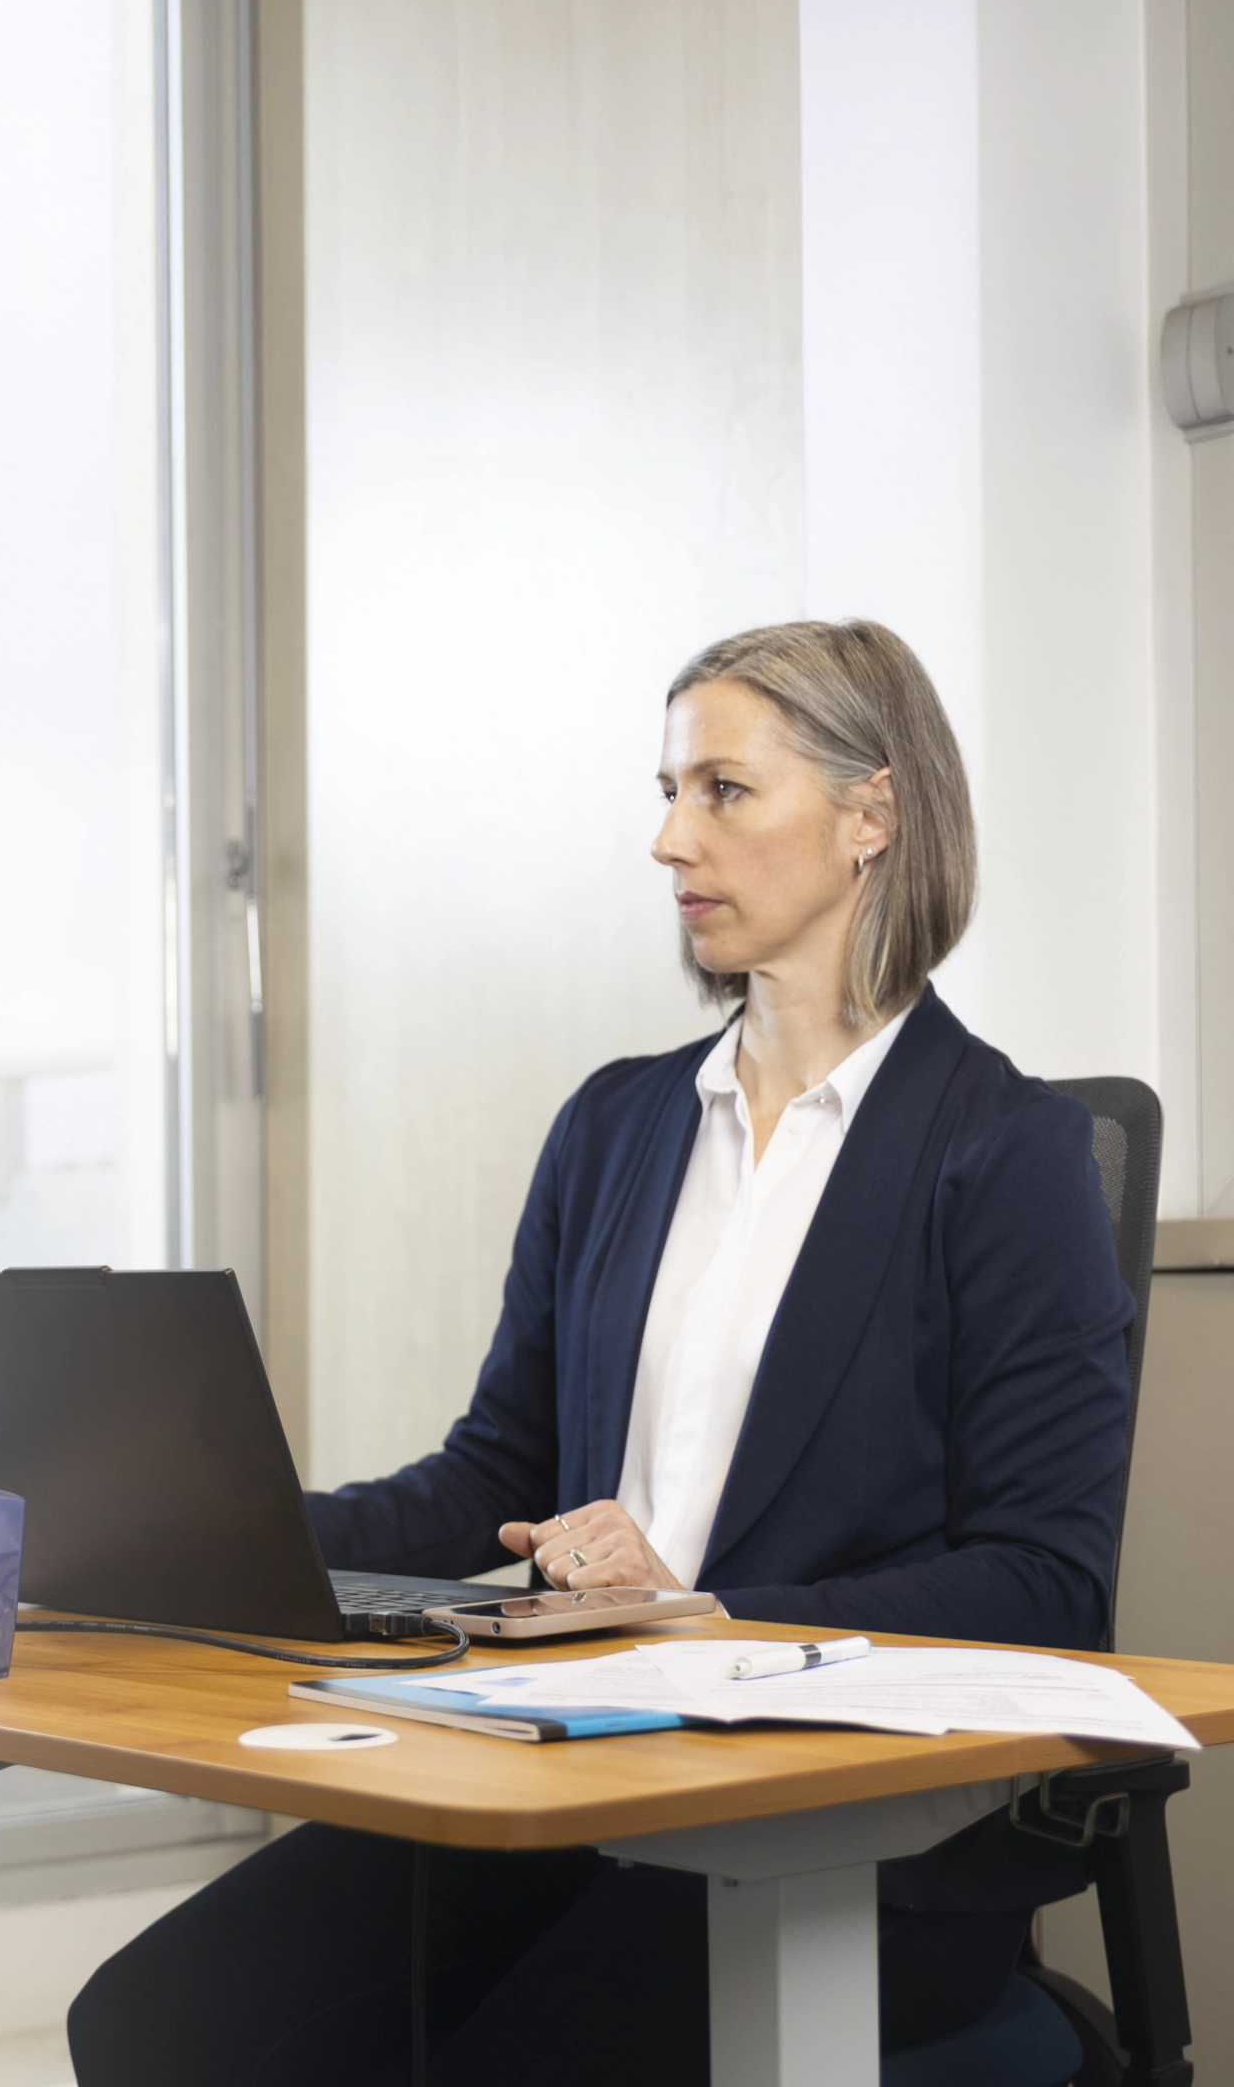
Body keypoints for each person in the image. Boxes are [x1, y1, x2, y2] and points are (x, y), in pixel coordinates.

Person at [67, 620, 1135, 2086]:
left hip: (849, 1828)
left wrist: (702, 1617)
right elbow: (485, 1482)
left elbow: (1046, 1580)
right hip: (586, 1773)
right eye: (666, 787)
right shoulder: (621, 1126)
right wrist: (196, 1540)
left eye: (721, 789)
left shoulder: (1002, 1152)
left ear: (871, 816)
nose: (666, 837)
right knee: (158, 2019)